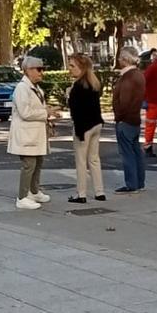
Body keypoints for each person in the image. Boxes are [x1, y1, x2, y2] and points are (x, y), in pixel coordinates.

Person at [8, 56, 55, 211]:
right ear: (28, 70)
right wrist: (45, 112)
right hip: (26, 134)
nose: (42, 72)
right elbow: (25, 112)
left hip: (35, 133)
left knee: (38, 162)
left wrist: (48, 113)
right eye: (39, 69)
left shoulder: (35, 88)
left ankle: (34, 191)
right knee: (29, 164)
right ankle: (22, 197)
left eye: (43, 69)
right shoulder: (22, 88)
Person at [67, 53, 105, 204]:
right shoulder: (94, 82)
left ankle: (81, 194)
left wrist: (68, 96)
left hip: (84, 127)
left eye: (72, 66)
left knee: (81, 161)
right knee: (94, 159)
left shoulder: (77, 86)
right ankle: (99, 191)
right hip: (96, 124)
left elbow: (75, 111)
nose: (69, 69)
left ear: (81, 68)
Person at [112, 46, 146, 193]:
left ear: (125, 60)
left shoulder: (128, 77)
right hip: (134, 118)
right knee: (136, 151)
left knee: (127, 153)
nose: (118, 60)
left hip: (126, 120)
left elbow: (124, 101)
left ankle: (131, 184)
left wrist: (119, 117)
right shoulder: (139, 74)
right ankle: (139, 182)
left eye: (120, 57)